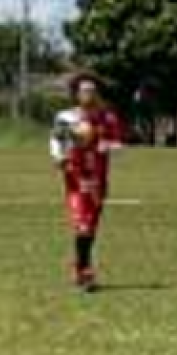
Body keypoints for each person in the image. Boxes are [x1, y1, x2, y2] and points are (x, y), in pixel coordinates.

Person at [50, 74, 125, 292]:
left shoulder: (107, 118)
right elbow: (56, 140)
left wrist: (106, 146)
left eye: (92, 90)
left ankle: (80, 265)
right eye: (84, 91)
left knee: (90, 228)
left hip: (98, 180)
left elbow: (119, 144)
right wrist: (59, 158)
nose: (88, 95)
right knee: (82, 224)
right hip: (76, 178)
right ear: (76, 94)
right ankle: (85, 272)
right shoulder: (66, 117)